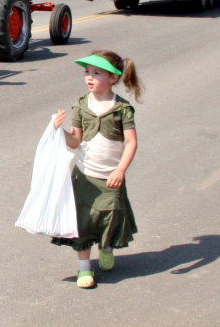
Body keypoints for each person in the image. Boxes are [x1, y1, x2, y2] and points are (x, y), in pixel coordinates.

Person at [51, 50, 143, 289]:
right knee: (83, 221)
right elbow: (75, 141)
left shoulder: (122, 109)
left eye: (96, 73)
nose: (89, 77)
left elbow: (131, 142)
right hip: (84, 176)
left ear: (113, 78)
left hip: (110, 176)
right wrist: (59, 131)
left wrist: (120, 170)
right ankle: (84, 269)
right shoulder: (81, 105)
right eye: (87, 72)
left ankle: (107, 247)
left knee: (108, 218)